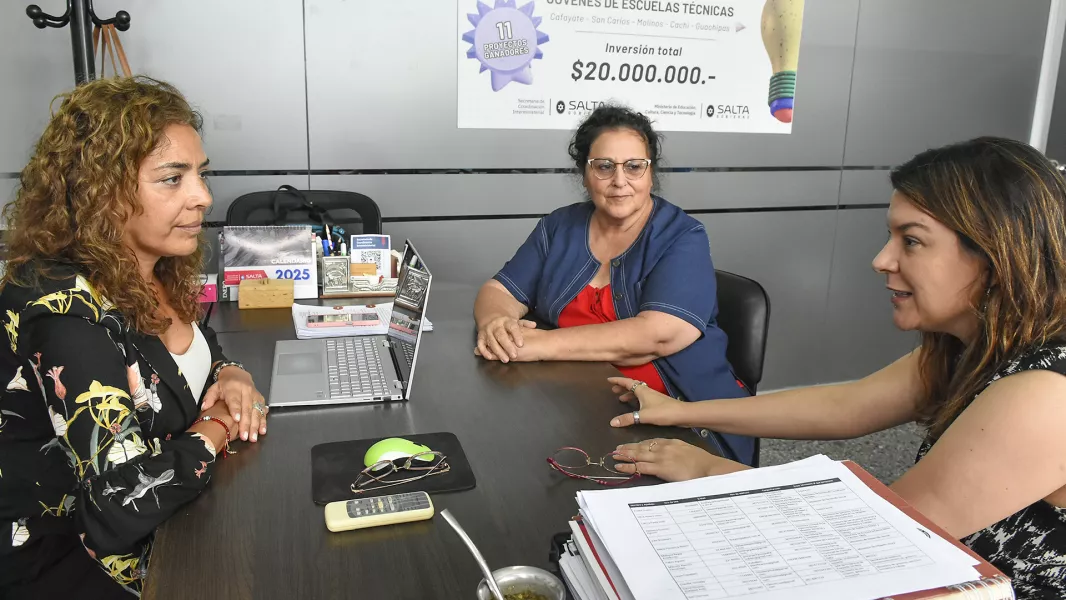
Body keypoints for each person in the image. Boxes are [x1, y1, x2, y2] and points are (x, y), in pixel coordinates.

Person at [607, 137, 1066, 599]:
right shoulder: (970, 347)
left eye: (911, 241)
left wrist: (707, 470)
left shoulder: (1047, 394)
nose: (882, 260)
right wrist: (679, 411)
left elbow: (883, 535)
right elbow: (848, 405)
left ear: (995, 254)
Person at [0, 77, 268, 598]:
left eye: (200, 174)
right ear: (100, 191)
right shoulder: (62, 311)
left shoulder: (151, 265)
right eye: (172, 179)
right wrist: (218, 423)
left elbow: (183, 357)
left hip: (178, 526)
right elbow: (118, 504)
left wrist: (230, 372)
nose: (203, 197)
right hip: (76, 568)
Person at [473, 104, 754, 465]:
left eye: (634, 166)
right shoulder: (559, 226)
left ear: (650, 173)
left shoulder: (683, 236)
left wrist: (538, 344)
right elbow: (499, 291)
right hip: (575, 402)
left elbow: (657, 335)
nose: (620, 180)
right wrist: (497, 324)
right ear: (584, 174)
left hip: (680, 420)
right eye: (604, 166)